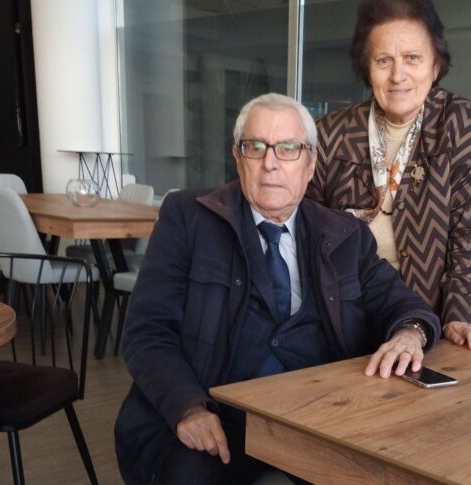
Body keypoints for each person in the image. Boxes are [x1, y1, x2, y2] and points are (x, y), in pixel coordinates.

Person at [114, 93, 440, 485]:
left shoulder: (345, 234)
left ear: (310, 164)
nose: (270, 163)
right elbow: (147, 331)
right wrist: (188, 408)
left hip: (315, 420)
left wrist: (410, 333)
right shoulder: (188, 218)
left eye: (288, 148)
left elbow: (402, 304)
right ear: (238, 158)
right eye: (255, 147)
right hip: (216, 415)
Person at [308, 0, 471, 352]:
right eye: (383, 61)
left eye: (412, 58)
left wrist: (461, 318)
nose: (398, 76)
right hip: (341, 321)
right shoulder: (330, 135)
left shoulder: (462, 128)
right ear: (367, 69)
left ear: (435, 65)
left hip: (428, 325)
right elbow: (306, 234)